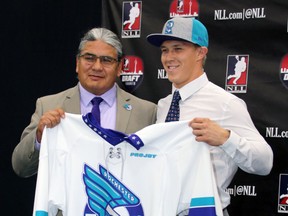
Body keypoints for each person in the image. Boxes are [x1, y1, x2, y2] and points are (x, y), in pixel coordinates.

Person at [146, 17, 273, 215]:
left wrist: (226, 138)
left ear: (200, 52)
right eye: (164, 50)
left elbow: (264, 163)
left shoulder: (226, 104)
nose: (168, 57)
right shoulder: (164, 105)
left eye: (178, 48)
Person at [12, 27, 157, 178]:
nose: (97, 67)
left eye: (106, 60)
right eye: (89, 58)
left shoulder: (146, 112)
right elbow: (20, 167)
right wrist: (39, 136)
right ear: (77, 63)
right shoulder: (48, 105)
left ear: (119, 68)